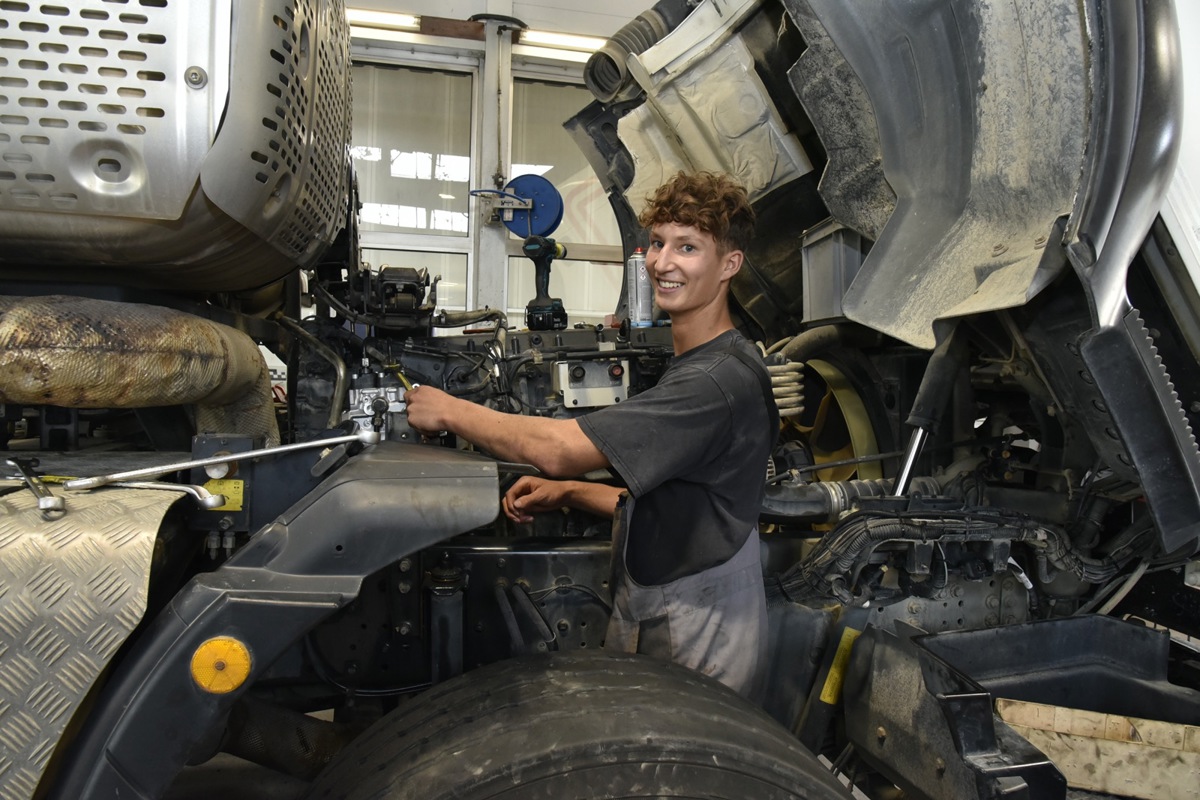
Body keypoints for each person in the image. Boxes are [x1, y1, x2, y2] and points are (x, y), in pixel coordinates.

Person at [404, 171, 778, 698]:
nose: (662, 263)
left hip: (697, 631)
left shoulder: (713, 382)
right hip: (673, 609)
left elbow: (559, 450)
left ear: (729, 265)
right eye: (658, 244)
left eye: (688, 248)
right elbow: (679, 504)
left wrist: (450, 411)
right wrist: (571, 494)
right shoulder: (705, 362)